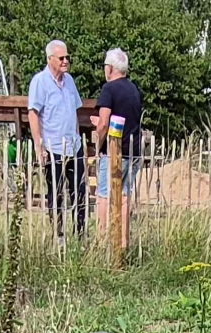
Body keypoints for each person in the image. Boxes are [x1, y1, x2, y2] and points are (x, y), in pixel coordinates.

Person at [26, 40, 84, 238]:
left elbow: (75, 111)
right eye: (61, 58)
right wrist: (38, 145)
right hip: (53, 146)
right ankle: (58, 234)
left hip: (73, 146)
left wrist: (76, 135)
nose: (66, 61)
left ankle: (80, 232)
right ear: (50, 59)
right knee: (56, 192)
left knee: (80, 191)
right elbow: (33, 113)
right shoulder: (40, 82)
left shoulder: (69, 81)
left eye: (67, 57)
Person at [93, 48, 141, 241]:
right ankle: (122, 241)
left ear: (110, 68)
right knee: (124, 196)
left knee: (104, 195)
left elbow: (104, 122)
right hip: (133, 150)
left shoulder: (109, 89)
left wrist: (99, 143)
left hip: (115, 151)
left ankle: (102, 241)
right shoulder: (134, 89)